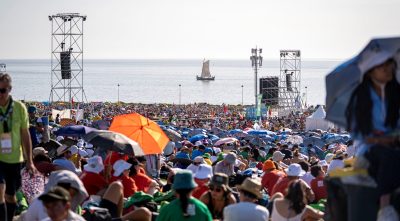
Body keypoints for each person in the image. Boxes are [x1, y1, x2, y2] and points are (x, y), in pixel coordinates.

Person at [346, 58, 400, 220]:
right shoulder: (360, 97)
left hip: (392, 142)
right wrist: (378, 139)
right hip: (370, 146)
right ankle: (385, 205)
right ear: (370, 72)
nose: (387, 69)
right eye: (382, 66)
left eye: (389, 66)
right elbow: (356, 132)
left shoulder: (395, 95)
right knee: (388, 155)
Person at [0, 73, 37, 221]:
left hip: (15, 159)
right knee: (0, 190)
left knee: (10, 196)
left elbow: (25, 135)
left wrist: (30, 161)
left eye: (3, 91)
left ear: (9, 89)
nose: (0, 94)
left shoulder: (19, 108)